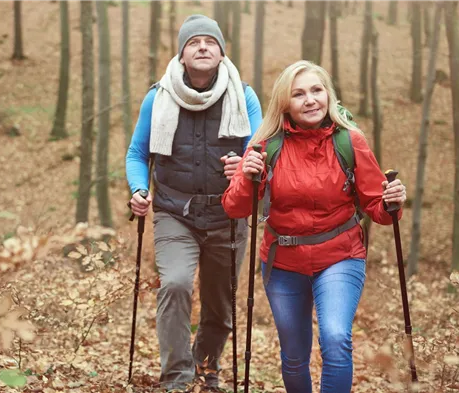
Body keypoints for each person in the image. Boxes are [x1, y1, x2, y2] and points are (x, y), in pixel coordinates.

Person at [221, 60, 407, 393]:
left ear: (328, 95)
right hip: (283, 261)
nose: (310, 100)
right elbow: (235, 208)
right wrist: (249, 177)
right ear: (285, 103)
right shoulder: (265, 146)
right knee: (294, 356)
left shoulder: (351, 142)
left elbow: (377, 208)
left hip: (340, 254)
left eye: (317, 90)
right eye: (299, 94)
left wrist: (392, 201)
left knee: (335, 337)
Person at [125, 14, 263, 392]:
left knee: (221, 306)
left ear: (221, 53)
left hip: (229, 214)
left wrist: (246, 166)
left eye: (210, 42)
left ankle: (206, 365)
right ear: (182, 54)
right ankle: (177, 378)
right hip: (175, 212)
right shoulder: (158, 97)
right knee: (175, 284)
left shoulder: (244, 96)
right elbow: (137, 153)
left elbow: (262, 151)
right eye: (193, 42)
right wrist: (138, 189)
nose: (203, 47)